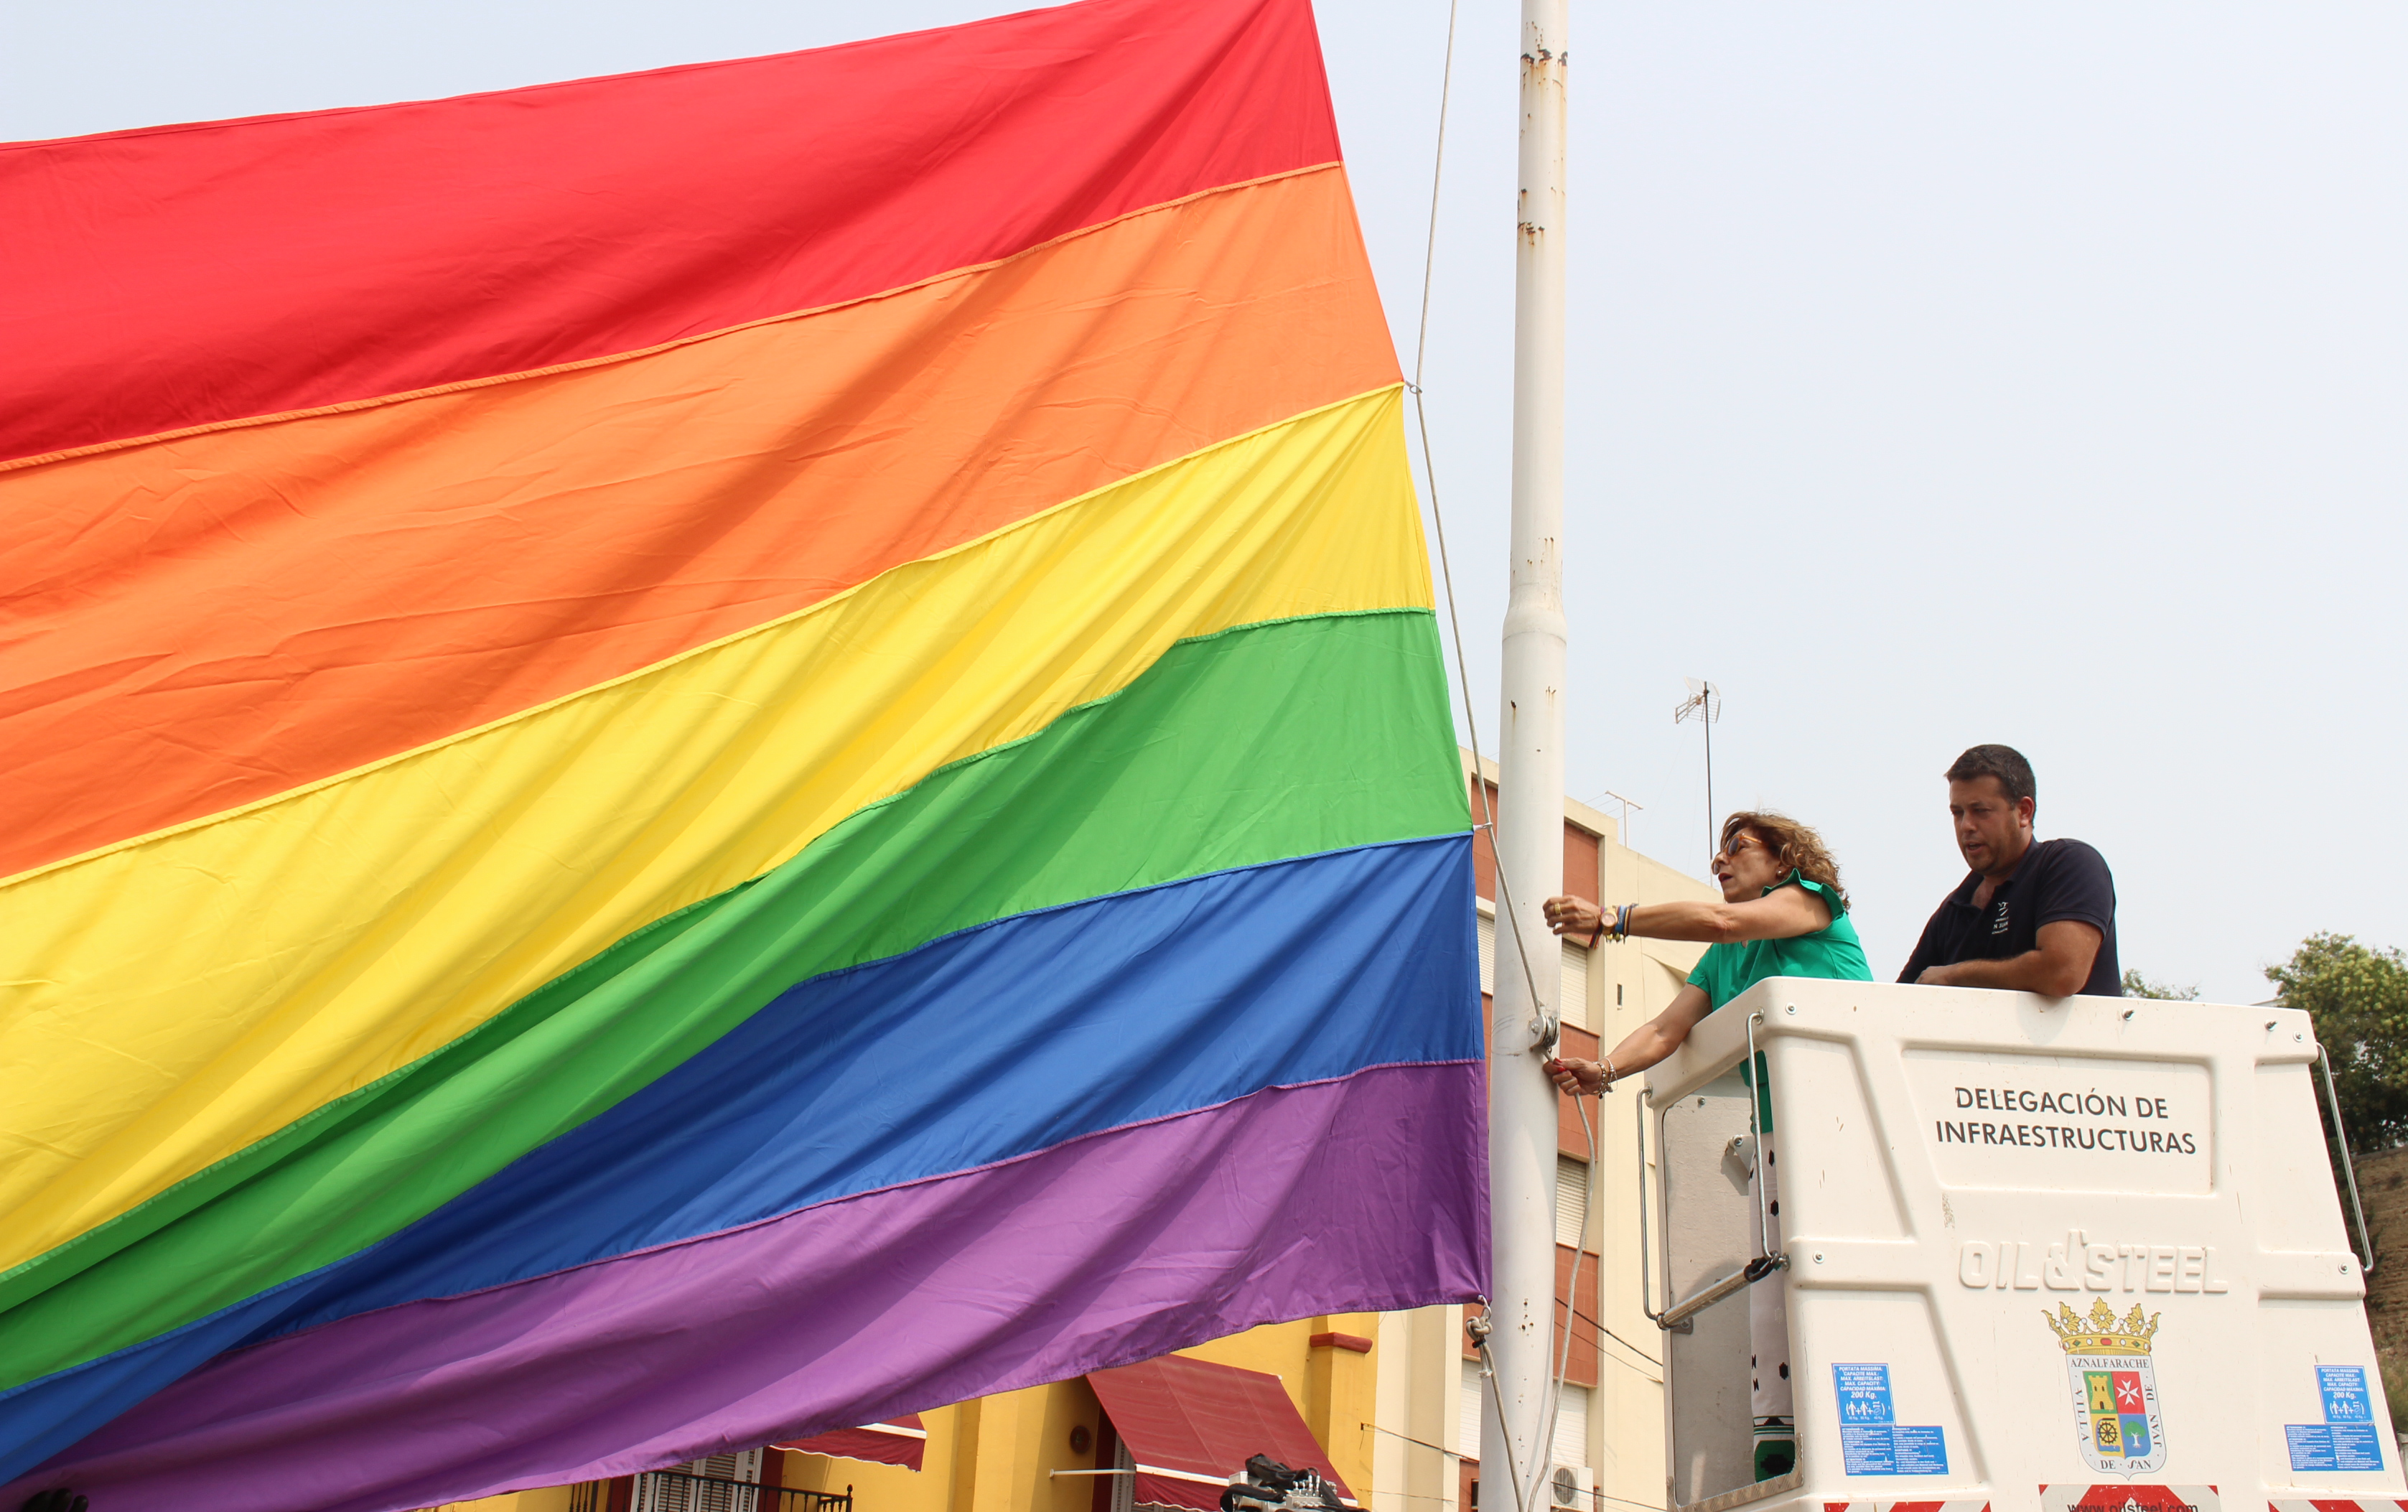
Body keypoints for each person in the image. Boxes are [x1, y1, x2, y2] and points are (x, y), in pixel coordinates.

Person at [1539, 810, 1872, 1483]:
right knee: (1770, 1284)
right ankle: (1777, 1442)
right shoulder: (1724, 960)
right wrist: (1601, 1073)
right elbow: (1667, 1029)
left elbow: (1723, 920)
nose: (1720, 862)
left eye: (1737, 849)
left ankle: (1853, 1430)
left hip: (1855, 1127)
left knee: (1837, 1278)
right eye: (1716, 853)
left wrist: (1611, 919)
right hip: (1782, 1134)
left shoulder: (1810, 904)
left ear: (1784, 862)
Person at [1898, 744, 2119, 997]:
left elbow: (2061, 973)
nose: (1966, 825)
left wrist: (1954, 975)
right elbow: (1899, 1005)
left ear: (2024, 812)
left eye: (1980, 811)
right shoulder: (1954, 910)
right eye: (1957, 813)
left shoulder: (2070, 864)